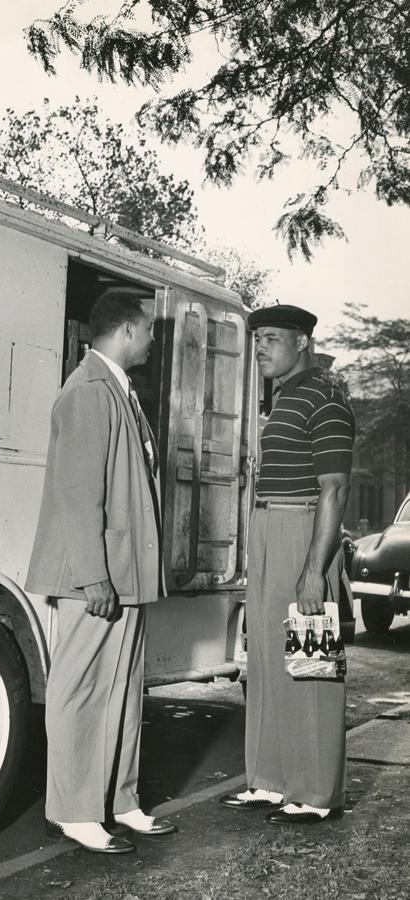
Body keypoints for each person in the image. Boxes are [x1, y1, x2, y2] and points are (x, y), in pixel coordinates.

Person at [25, 287, 177, 853]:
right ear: (128, 330)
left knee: (122, 692)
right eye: (151, 330)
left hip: (122, 572)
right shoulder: (88, 391)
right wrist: (94, 577)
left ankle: (119, 800)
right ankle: (72, 810)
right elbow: (76, 494)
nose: (155, 340)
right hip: (95, 576)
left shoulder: (118, 388)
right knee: (81, 691)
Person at [220, 304, 355, 825]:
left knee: (312, 663)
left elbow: (336, 489)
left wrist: (315, 568)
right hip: (267, 529)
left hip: (302, 531)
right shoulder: (284, 398)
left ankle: (317, 794)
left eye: (271, 339)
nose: (260, 349)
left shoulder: (325, 395)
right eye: (257, 340)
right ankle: (272, 781)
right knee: (272, 662)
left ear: (302, 342)